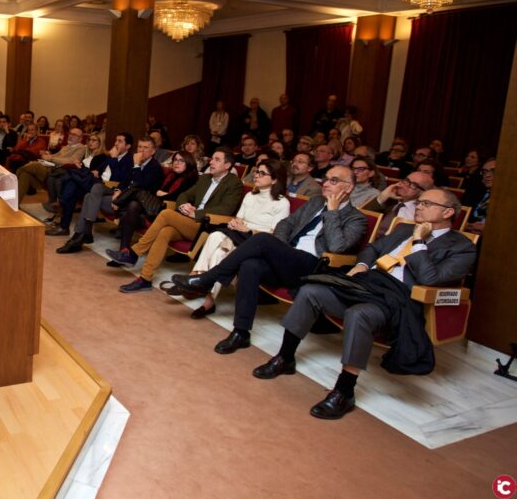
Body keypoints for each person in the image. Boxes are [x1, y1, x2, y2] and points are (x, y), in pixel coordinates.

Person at [252, 189, 476, 419]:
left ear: (448, 212)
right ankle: (285, 357)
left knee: (359, 314)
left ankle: (344, 391)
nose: (418, 206)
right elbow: (373, 249)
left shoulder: (462, 247)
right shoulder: (404, 229)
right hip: (365, 284)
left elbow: (430, 278)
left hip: (396, 300)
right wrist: (362, 265)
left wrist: (419, 241)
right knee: (310, 291)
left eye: (427, 203)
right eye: (419, 202)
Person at [165, 165, 367, 354]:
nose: (326, 183)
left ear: (348, 187)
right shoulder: (315, 202)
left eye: (333, 180)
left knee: (262, 239)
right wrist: (280, 249)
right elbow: (285, 224)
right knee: (250, 265)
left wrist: (332, 212)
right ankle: (241, 332)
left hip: (313, 266)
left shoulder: (356, 218)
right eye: (326, 179)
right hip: (288, 259)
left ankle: (207, 278)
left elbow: (337, 247)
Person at [113, 148, 243, 292]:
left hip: (207, 226)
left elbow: (226, 209)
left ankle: (133, 253)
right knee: (165, 232)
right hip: (189, 221)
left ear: (227, 165)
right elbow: (184, 195)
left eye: (217, 160)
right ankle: (145, 278)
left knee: (166, 214)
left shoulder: (234, 183)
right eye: (212, 158)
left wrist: (196, 213)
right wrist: (183, 206)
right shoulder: (205, 178)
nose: (211, 162)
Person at [176, 158, 291, 319]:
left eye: (262, 173)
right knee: (215, 237)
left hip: (257, 243)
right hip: (239, 235)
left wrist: (249, 230)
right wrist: (235, 223)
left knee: (219, 248)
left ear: (274, 179)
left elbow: (276, 235)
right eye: (256, 171)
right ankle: (202, 290)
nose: (256, 175)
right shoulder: (250, 196)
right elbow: (239, 218)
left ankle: (198, 285)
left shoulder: (282, 203)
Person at [107, 151, 199, 263]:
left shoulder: (191, 179)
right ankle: (123, 251)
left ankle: (119, 202)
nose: (177, 163)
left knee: (138, 192)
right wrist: (160, 193)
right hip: (154, 207)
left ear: (188, 162)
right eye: (175, 160)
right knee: (133, 205)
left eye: (181, 161)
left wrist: (162, 194)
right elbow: (154, 189)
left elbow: (177, 197)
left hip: (168, 211)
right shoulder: (171, 175)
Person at [52, 133, 134, 247]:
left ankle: (71, 220)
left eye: (120, 141)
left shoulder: (129, 159)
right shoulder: (111, 155)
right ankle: (74, 229)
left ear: (128, 146)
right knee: (75, 186)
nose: (116, 143)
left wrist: (114, 159)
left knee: (75, 178)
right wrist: (94, 171)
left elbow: (119, 179)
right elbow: (99, 170)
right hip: (99, 184)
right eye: (116, 140)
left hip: (112, 188)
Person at [15, 128, 87, 204]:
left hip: (57, 173)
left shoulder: (81, 148)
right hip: (49, 169)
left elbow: (71, 161)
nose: (71, 136)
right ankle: (15, 203)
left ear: (80, 139)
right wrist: (47, 155)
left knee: (35, 165)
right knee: (25, 175)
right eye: (70, 133)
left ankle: (14, 176)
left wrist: (51, 158)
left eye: (74, 135)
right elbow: (55, 156)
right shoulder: (66, 147)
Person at [363, 170, 434, 231]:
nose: (405, 185)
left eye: (413, 185)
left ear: (423, 192)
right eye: (406, 180)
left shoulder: (420, 213)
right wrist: (381, 197)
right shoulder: (388, 199)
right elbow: (361, 218)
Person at [463, 158, 494, 232]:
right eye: (484, 172)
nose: (487, 175)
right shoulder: (475, 191)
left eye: (493, 171)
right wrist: (467, 225)